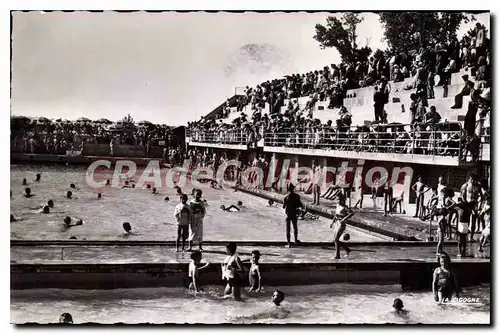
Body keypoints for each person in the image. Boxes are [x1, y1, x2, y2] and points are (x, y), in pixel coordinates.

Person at [330, 194, 354, 259]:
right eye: (337, 199)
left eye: (340, 199)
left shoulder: (344, 207)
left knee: (336, 239)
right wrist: (332, 222)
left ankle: (337, 255)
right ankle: (347, 249)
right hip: (337, 223)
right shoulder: (338, 205)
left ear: (343, 200)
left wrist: (344, 219)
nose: (338, 201)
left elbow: (352, 213)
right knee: (335, 240)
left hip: (341, 224)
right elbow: (336, 214)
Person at [460, 174, 481, 242]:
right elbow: (462, 196)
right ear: (469, 179)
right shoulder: (465, 185)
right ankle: (466, 235)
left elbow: (481, 195)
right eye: (472, 179)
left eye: (474, 179)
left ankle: (471, 236)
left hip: (474, 204)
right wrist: (465, 204)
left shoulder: (478, 186)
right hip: (467, 203)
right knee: (467, 220)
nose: (473, 181)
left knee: (474, 220)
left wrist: (479, 204)